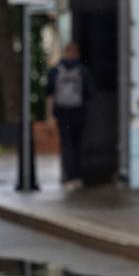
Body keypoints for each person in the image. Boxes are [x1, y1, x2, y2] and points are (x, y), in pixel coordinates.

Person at [45, 41, 95, 191]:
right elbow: (90, 93)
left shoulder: (55, 70)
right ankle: (77, 177)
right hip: (78, 112)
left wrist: (49, 116)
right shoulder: (82, 70)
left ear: (65, 53)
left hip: (62, 112)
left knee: (66, 144)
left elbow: (49, 93)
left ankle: (68, 176)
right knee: (77, 144)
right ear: (77, 54)